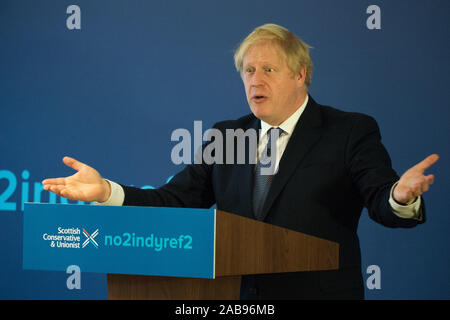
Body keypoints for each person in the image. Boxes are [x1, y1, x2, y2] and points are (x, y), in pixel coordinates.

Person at [42, 24, 438, 299]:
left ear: (301, 74)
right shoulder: (226, 135)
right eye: (248, 70)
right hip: (235, 296)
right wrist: (107, 191)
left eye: (268, 69)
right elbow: (176, 201)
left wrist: (400, 196)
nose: (255, 80)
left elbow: (380, 200)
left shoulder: (348, 130)